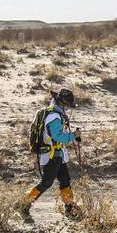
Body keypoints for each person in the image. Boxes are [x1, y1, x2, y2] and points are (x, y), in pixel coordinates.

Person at [19, 88, 82, 221]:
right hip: (51, 155)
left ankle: (69, 206)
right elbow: (58, 136)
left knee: (65, 180)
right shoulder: (54, 116)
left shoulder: (55, 114)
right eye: (67, 106)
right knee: (46, 182)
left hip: (57, 154)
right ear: (61, 104)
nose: (68, 109)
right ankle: (23, 204)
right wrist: (73, 136)